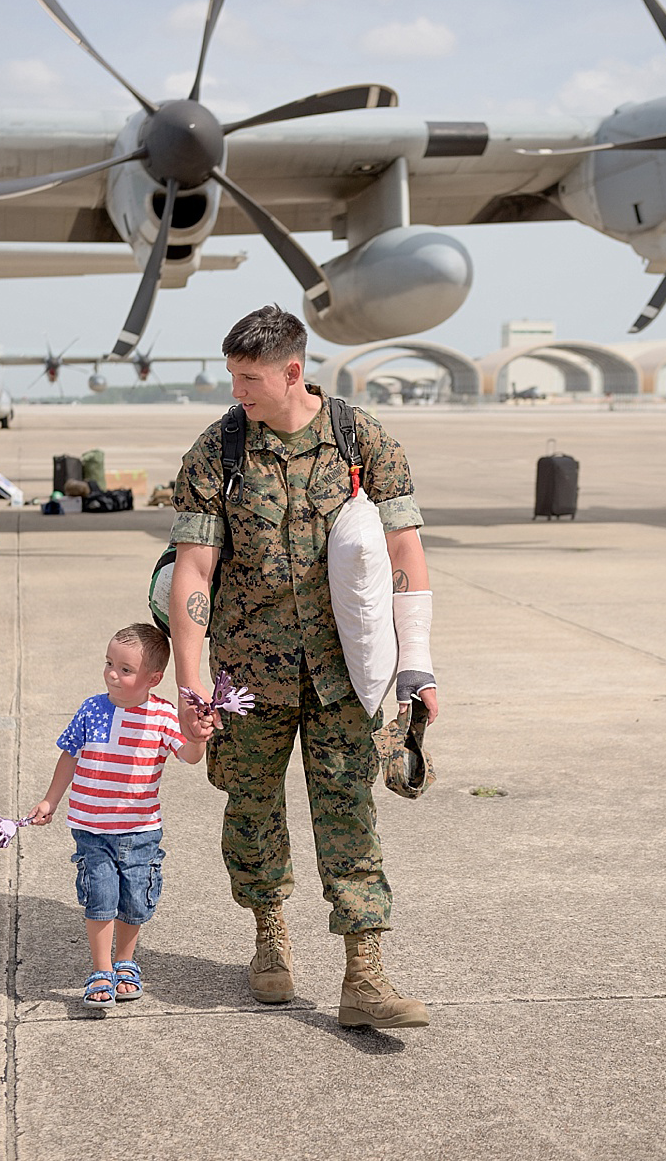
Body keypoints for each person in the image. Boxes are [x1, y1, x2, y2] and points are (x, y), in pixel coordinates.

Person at [167, 305, 440, 1031]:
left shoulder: (363, 441)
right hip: (247, 678)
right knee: (251, 813)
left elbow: (407, 553)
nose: (238, 391)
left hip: (344, 674)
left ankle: (364, 975)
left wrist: (416, 666)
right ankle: (270, 940)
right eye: (231, 375)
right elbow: (194, 568)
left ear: (293, 371)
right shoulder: (218, 451)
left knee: (351, 815)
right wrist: (189, 677)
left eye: (249, 378)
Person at [28, 624, 203, 1007]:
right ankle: (101, 969)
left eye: (125, 669)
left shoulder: (162, 716)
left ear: (153, 679)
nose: (112, 674)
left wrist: (199, 736)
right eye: (109, 663)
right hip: (91, 828)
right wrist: (50, 801)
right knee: (101, 899)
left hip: (140, 830)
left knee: (135, 902)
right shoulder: (92, 708)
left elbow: (189, 756)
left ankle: (126, 960)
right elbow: (70, 754)